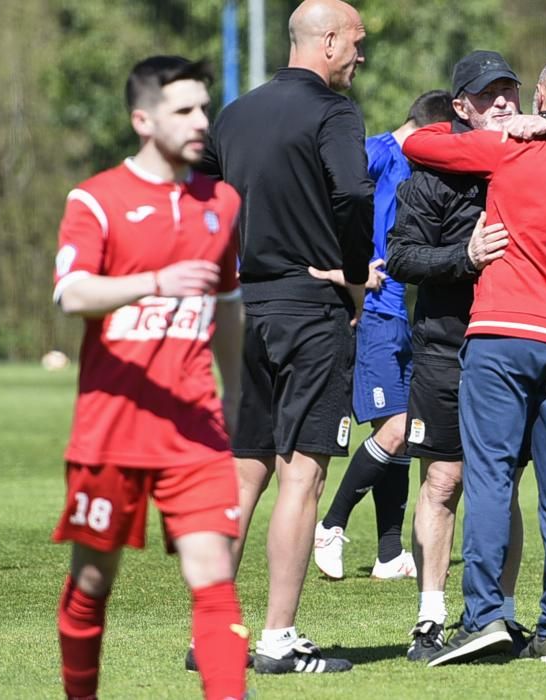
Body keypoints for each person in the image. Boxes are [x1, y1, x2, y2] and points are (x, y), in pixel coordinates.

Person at [386, 49, 546, 662]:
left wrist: (515, 134)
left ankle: (485, 617)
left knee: (490, 479)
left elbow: (420, 146)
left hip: (499, 336)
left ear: (539, 103)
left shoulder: (508, 150)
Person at [51, 55, 248, 699]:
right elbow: (71, 294)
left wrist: (239, 400)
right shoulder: (97, 198)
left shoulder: (222, 201)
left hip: (195, 429)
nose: (201, 121)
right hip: (111, 431)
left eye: (204, 107)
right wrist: (154, 283)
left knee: (214, 576)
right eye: (184, 110)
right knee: (90, 584)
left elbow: (223, 308)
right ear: (142, 119)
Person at [197, 0, 371, 675]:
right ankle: (277, 639)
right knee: (304, 473)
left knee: (245, 476)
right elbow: (354, 197)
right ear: (327, 41)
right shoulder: (334, 113)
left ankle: (211, 634)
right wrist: (354, 274)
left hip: (250, 309)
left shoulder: (235, 114)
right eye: (356, 42)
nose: (360, 55)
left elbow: (200, 198)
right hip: (311, 310)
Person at [313, 90, 457, 582]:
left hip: (400, 315)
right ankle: (330, 526)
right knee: (398, 428)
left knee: (400, 433)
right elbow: (319, 202)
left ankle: (390, 552)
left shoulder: (419, 170)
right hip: (371, 312)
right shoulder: (375, 152)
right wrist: (345, 271)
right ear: (426, 131)